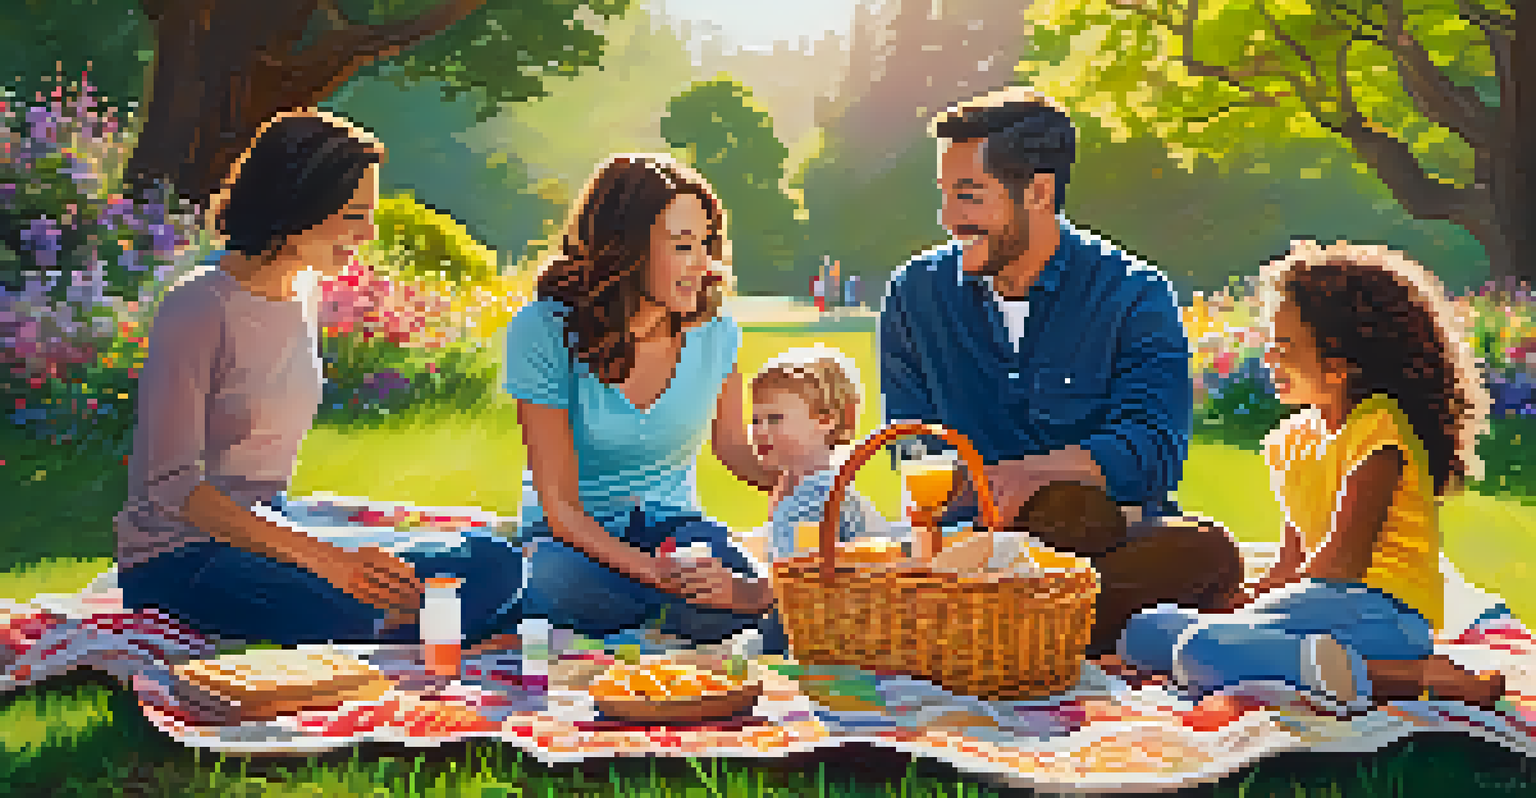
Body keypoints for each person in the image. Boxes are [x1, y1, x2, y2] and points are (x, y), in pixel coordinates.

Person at [116, 110, 523, 646]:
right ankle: (431, 625)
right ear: (295, 204)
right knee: (340, 603)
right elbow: (173, 488)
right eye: (354, 214)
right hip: (183, 557)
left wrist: (337, 557)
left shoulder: (303, 291)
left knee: (490, 559)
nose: (368, 233)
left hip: (274, 530)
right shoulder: (197, 307)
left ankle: (419, 620)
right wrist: (330, 561)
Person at [878, 86, 1242, 654]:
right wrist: (965, 502)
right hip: (972, 546)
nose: (950, 218)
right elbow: (911, 441)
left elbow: (1153, 449)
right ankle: (1029, 629)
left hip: (1105, 540)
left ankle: (992, 631)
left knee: (1205, 551)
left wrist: (1031, 476)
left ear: (1039, 192)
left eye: (969, 196)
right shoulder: (915, 293)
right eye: (945, 196)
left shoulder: (1133, 294)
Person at [1114, 241, 1505, 713]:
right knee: (1147, 630)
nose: (1270, 359)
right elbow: (1290, 564)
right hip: (1319, 605)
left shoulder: (1378, 430)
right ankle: (1287, 661)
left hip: (1381, 614)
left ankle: (1417, 673)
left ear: (1338, 368)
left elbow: (1342, 566)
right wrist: (1239, 605)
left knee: (1202, 649)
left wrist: (1246, 620)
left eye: (1285, 348)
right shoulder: (1290, 441)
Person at [506, 154, 786, 651]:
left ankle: (633, 630)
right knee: (553, 583)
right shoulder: (544, 330)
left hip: (676, 531)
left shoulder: (716, 333)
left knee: (732, 581)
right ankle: (674, 622)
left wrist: (808, 479)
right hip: (576, 542)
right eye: (682, 246)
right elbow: (561, 508)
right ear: (627, 250)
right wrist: (660, 575)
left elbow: (732, 449)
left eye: (705, 245)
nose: (702, 264)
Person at [749, 346, 891, 561]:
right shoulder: (810, 487)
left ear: (825, 420)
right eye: (755, 420)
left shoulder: (814, 497)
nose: (760, 430)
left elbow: (795, 574)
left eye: (775, 418)